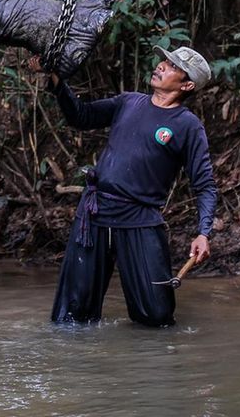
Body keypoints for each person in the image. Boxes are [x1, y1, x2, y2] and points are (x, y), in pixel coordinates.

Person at [50, 45, 218, 328]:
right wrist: (55, 79)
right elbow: (80, 116)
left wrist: (203, 232)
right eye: (164, 60)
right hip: (94, 213)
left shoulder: (188, 126)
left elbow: (205, 185)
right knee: (72, 315)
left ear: (187, 84)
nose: (162, 66)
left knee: (157, 316)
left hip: (139, 218)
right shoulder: (128, 102)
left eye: (173, 66)